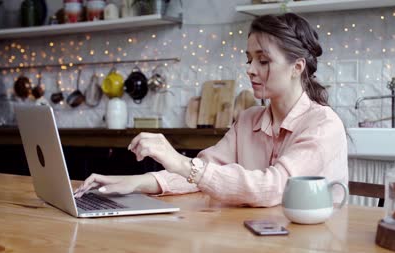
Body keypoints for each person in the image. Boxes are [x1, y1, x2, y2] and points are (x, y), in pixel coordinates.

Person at [75, 13, 348, 207]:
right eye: (249, 59)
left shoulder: (323, 124)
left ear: (297, 67)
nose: (250, 69)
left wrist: (180, 161)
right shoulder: (249, 119)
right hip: (257, 239)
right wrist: (135, 182)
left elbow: (274, 188)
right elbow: (204, 174)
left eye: (263, 61)